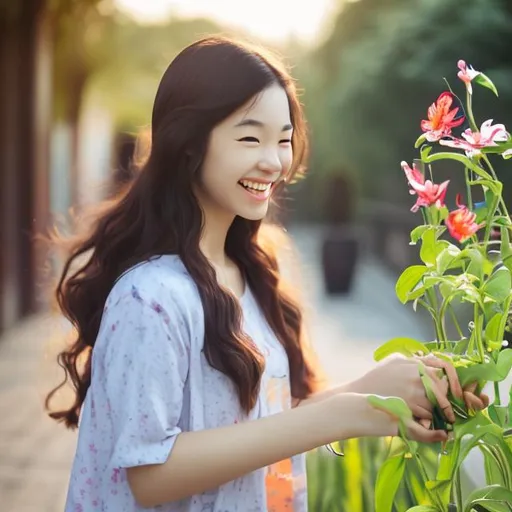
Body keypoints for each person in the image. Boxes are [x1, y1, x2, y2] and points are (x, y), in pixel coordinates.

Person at [46, 36, 488, 512]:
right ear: (189, 143)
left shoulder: (247, 272)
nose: (274, 160)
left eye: (283, 139)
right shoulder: (150, 297)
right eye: (250, 137)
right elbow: (151, 474)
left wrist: (371, 388)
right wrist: (345, 415)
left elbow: (263, 425)